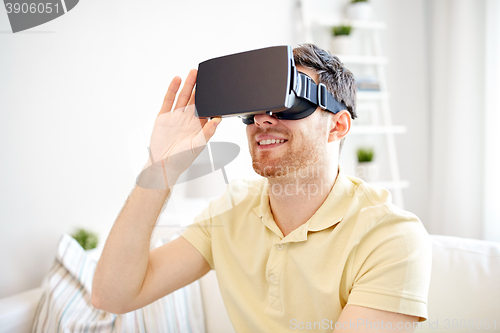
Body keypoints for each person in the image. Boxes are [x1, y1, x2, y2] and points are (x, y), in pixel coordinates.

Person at [92, 44, 432, 332]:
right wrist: (159, 170)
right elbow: (114, 296)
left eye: (288, 101)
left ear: (337, 126)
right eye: (255, 107)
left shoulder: (391, 237)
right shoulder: (232, 209)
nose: (262, 119)